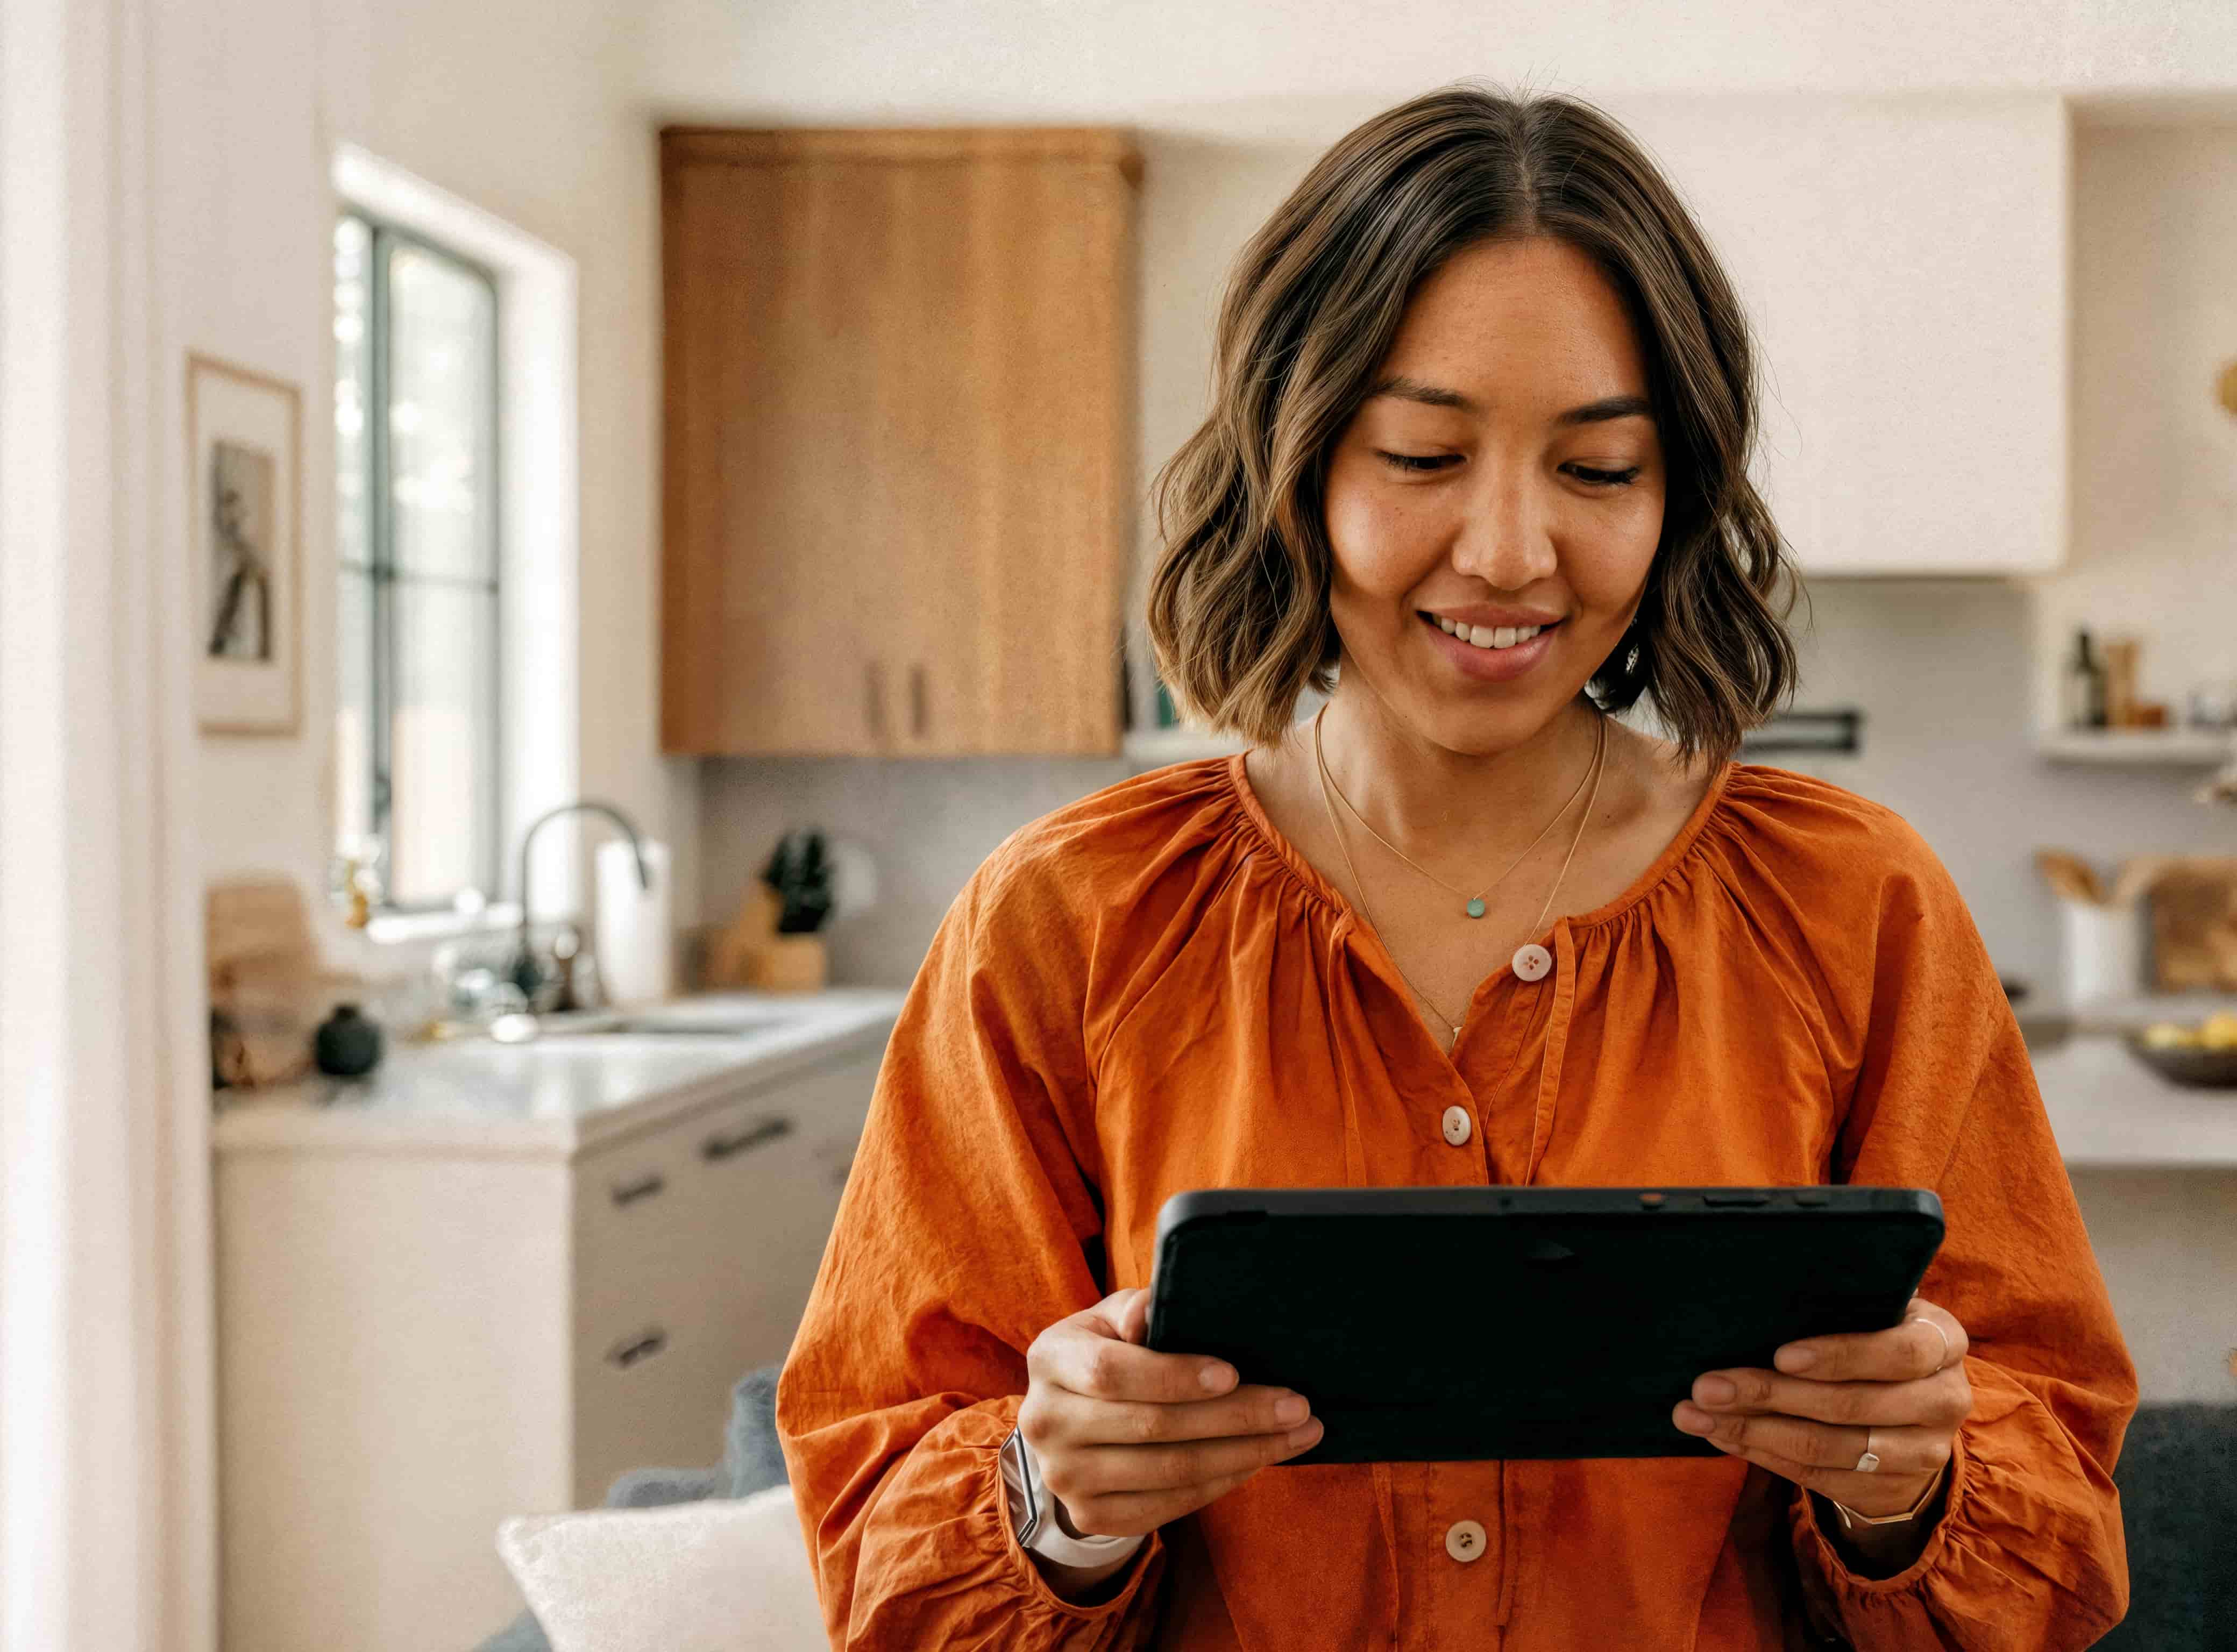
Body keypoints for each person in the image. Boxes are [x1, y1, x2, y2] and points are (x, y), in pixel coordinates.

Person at [777, 80, 2137, 1650]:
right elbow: (880, 1538)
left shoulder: (1860, 906)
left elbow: (2055, 1513)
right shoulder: (1064, 919)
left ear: (1678, 495)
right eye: (1424, 454)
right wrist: (1053, 1500)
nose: (1507, 552)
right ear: (1295, 466)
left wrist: (1904, 1485)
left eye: (1600, 470)